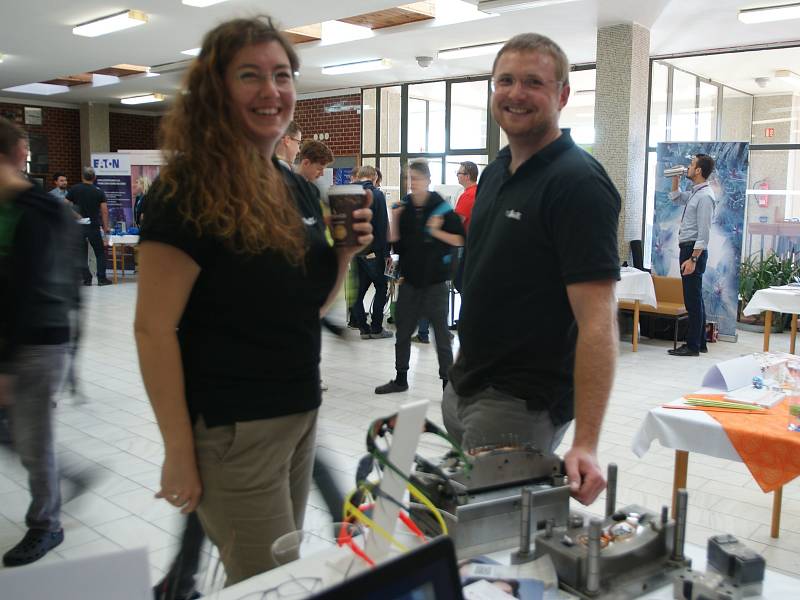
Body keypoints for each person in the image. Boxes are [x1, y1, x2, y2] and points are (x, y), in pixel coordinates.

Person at [134, 16, 372, 587]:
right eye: (251, 75)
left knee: (270, 575)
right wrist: (178, 451)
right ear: (217, 89)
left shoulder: (292, 185)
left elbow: (307, 308)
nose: (272, 90)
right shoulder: (188, 190)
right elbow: (152, 329)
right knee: (266, 581)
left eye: (282, 74)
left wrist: (344, 253)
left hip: (299, 413)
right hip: (234, 428)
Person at [442, 33, 621, 506]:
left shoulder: (578, 182)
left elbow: (599, 323)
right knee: (464, 530)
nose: (516, 93)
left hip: (520, 403)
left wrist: (586, 441)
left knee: (492, 549)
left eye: (533, 82)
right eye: (505, 80)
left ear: (562, 95)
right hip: (466, 385)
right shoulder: (499, 170)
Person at [0, 117, 80, 566]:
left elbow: (34, 290)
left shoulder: (38, 210)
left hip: (36, 344)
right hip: (20, 342)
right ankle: (68, 478)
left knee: (33, 439)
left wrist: (7, 366)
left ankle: (46, 524)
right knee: (18, 434)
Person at [375, 160, 464, 395]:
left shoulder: (441, 208)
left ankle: (447, 385)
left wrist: (435, 231)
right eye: (409, 179)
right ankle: (400, 379)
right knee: (403, 332)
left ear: (427, 179)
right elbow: (395, 244)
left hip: (435, 284)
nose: (412, 183)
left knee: (442, 337)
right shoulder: (404, 208)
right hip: (410, 282)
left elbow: (460, 239)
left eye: (416, 179)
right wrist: (395, 217)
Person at [668, 154, 715, 357]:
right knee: (696, 298)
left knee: (692, 300)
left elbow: (704, 233)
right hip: (688, 249)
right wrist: (675, 178)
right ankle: (700, 342)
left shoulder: (705, 196)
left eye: (691, 165)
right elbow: (676, 198)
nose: (687, 167)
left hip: (692, 251)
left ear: (698, 171)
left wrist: (693, 258)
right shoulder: (696, 193)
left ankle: (693, 345)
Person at [349, 165, 392, 340]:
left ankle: (362, 328)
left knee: (358, 291)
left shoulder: (350, 194)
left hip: (356, 250)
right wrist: (387, 252)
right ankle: (376, 327)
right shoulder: (377, 194)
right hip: (374, 250)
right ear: (374, 177)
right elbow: (382, 225)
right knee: (381, 287)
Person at [67, 166, 111, 286]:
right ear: (94, 178)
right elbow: (104, 211)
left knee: (81, 253)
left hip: (79, 226)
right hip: (93, 226)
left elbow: (65, 205)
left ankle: (87, 279)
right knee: (100, 252)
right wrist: (106, 227)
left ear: (82, 177)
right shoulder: (98, 191)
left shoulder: (74, 189)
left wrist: (76, 215)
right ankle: (102, 279)